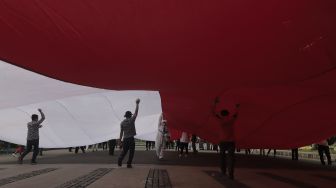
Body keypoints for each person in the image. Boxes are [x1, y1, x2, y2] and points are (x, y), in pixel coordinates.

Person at [214, 98, 239, 180]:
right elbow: (236, 114)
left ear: (221, 114)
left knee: (222, 157)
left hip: (222, 142)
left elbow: (213, 113)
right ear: (228, 114)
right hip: (231, 142)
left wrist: (215, 103)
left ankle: (223, 172)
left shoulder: (220, 120)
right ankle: (231, 174)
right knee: (231, 158)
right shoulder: (231, 119)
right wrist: (237, 107)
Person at [118, 98, 140, 168]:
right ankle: (128, 164)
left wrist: (120, 140)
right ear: (130, 115)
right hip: (131, 138)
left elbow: (121, 132)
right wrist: (137, 104)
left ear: (125, 116)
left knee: (124, 151)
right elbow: (136, 113)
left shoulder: (122, 123)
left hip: (125, 139)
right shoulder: (131, 120)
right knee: (131, 152)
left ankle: (120, 159)